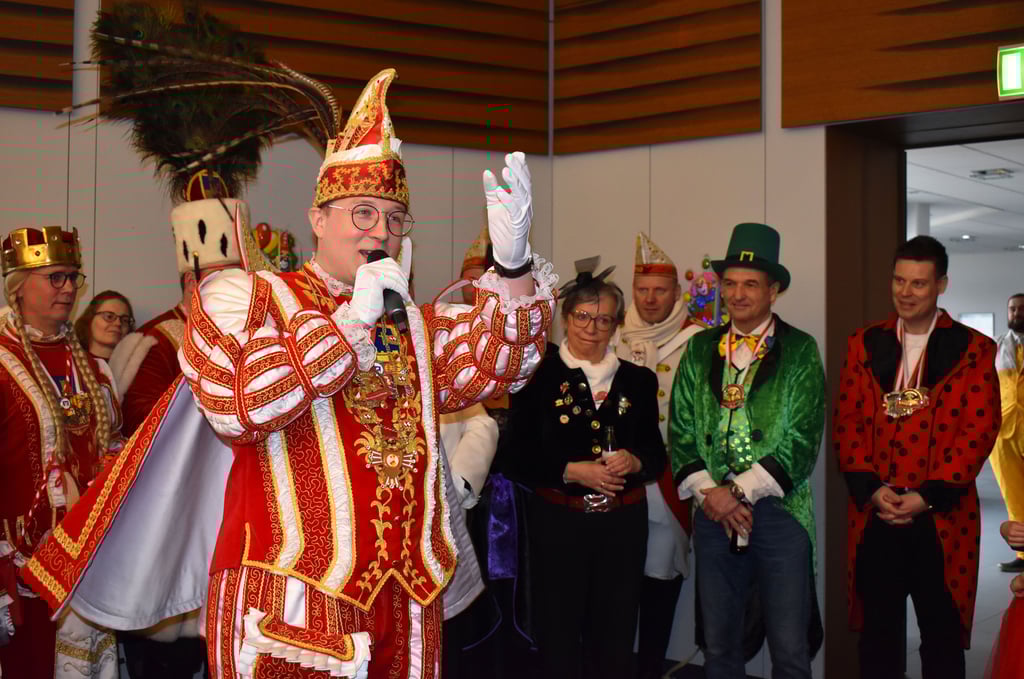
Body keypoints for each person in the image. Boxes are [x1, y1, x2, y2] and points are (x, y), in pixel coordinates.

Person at [835, 235, 1000, 679]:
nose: (906, 293)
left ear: (941, 285)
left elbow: (979, 428)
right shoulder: (864, 342)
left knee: (942, 641)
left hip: (941, 520)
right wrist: (871, 491)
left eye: (919, 284)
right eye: (899, 281)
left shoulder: (974, 349)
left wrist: (928, 496)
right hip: (878, 513)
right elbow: (847, 419)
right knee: (877, 639)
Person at [670, 222, 825, 679]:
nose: (738, 294)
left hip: (780, 514)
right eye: (730, 283)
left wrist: (735, 493)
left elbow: (803, 438)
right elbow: (680, 432)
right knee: (720, 645)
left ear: (773, 290)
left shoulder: (799, 350)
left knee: (790, 649)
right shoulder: (699, 349)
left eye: (750, 285)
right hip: (713, 514)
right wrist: (712, 496)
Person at [506, 258, 665, 679]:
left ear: (616, 325)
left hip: (622, 526)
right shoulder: (535, 376)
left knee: (614, 638)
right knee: (557, 634)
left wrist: (636, 461)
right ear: (565, 317)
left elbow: (656, 454)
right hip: (559, 524)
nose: (592, 327)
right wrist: (571, 470)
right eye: (582, 316)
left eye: (603, 319)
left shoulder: (638, 380)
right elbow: (514, 455)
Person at [0, 226, 123, 678]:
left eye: (73, 277)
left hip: (86, 563)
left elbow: (110, 449)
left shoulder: (93, 367)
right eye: (55, 277)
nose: (69, 288)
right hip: (21, 568)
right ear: (18, 285)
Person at [614, 233, 699, 679]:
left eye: (659, 290)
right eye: (642, 289)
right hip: (618, 483)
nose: (649, 299)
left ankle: (650, 667)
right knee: (618, 583)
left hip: (667, 484)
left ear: (676, 293)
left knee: (660, 579)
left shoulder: (698, 342)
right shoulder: (614, 335)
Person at [990, 293, 1024, 571]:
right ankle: (1023, 555)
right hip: (1003, 431)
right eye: (1012, 308)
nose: (1017, 313)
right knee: (1014, 495)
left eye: (1022, 309)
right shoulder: (997, 347)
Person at [74, 290, 135, 361]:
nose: (118, 323)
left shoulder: (137, 368)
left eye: (125, 320)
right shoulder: (71, 364)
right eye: (109, 316)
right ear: (89, 319)